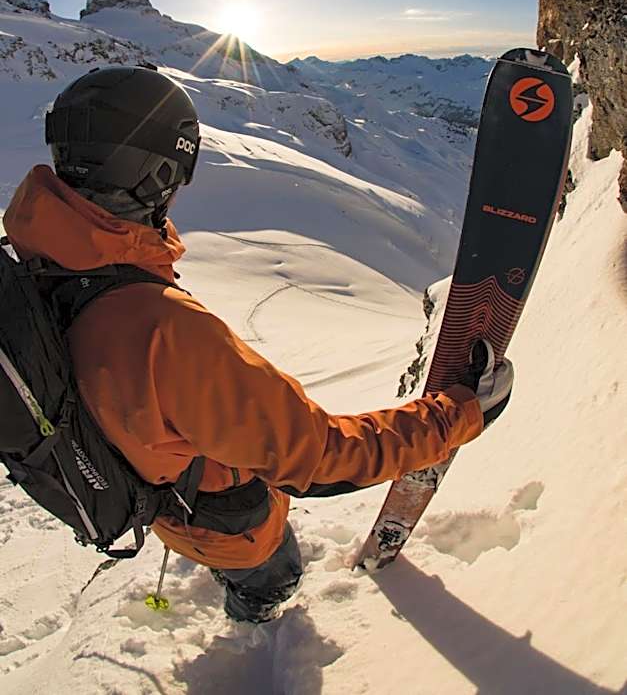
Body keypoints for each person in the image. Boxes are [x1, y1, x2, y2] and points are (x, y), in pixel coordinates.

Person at [3, 66, 513, 624]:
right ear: (157, 176)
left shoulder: (31, 261)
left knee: (223, 544)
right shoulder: (163, 331)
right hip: (230, 526)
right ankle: (258, 611)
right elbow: (319, 457)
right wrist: (458, 415)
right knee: (272, 570)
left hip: (159, 501)